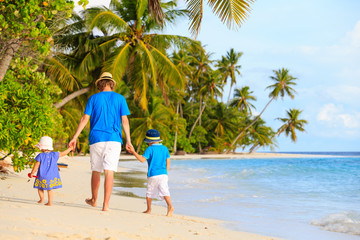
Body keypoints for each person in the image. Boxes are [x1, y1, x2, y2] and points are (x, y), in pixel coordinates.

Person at [68, 72, 132, 211]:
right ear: (112, 84)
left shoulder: (93, 98)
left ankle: (94, 200)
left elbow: (85, 118)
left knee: (96, 170)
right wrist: (129, 140)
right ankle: (106, 205)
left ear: (100, 84)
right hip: (114, 139)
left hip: (96, 139)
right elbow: (125, 120)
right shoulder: (120, 98)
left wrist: (75, 137)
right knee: (109, 172)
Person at [127, 129, 174, 217]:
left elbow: (141, 159)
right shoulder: (165, 148)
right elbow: (168, 161)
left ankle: (149, 209)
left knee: (150, 192)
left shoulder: (150, 149)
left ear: (150, 141)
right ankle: (170, 206)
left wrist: (133, 152)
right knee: (165, 191)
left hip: (153, 174)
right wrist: (166, 172)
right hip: (164, 174)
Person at [28, 136, 73, 206]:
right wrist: (70, 148)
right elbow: (63, 153)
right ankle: (50, 202)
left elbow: (36, 165)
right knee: (50, 190)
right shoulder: (54, 154)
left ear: (42, 147)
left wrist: (32, 173)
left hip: (41, 176)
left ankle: (42, 199)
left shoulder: (40, 155)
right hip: (52, 176)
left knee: (40, 188)